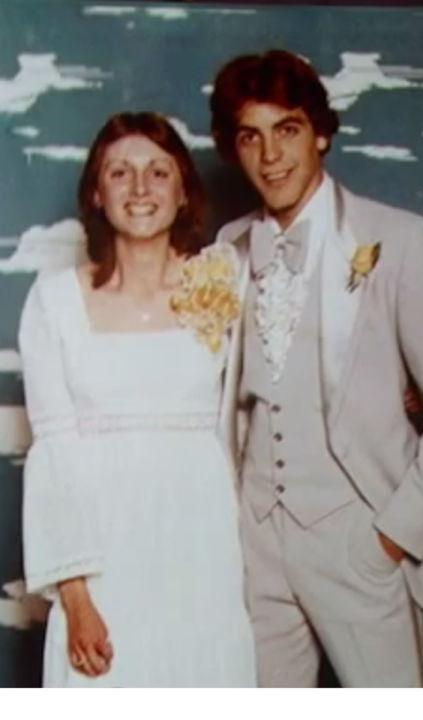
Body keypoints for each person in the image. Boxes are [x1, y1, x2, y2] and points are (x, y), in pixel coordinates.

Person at [211, 49, 423, 687]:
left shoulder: (399, 240)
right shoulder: (227, 250)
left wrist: (391, 537)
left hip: (360, 544)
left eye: (287, 130)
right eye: (250, 136)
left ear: (321, 133)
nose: (270, 156)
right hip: (255, 548)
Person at [19, 112, 256, 687]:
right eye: (120, 172)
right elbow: (54, 455)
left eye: (158, 171)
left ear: (183, 191)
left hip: (203, 548)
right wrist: (76, 597)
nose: (140, 188)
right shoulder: (55, 301)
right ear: (96, 194)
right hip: (103, 558)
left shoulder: (227, 282)